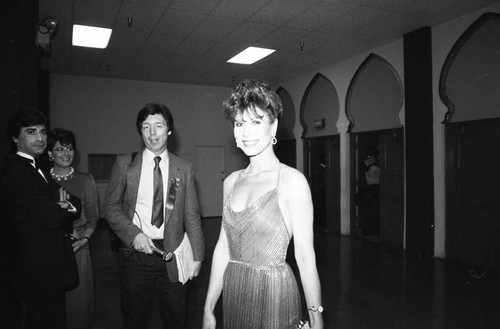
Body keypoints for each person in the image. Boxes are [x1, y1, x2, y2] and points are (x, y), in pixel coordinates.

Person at [202, 79, 324, 329]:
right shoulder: (232, 182)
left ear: (273, 126)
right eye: (239, 123)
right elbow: (223, 248)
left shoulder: (292, 181)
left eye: (256, 122)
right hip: (235, 289)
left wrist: (316, 318)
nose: (246, 133)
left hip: (274, 294)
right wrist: (208, 308)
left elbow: (305, 256)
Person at [103, 103, 205, 329]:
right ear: (140, 132)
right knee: (134, 318)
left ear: (169, 130)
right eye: (146, 127)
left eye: (158, 126)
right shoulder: (125, 164)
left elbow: (191, 214)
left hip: (173, 255)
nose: (152, 133)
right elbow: (110, 205)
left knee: (176, 318)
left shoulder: (182, 167)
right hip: (136, 255)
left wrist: (197, 255)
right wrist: (133, 234)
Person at [0, 108, 82, 329]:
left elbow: (75, 203)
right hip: (35, 269)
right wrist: (62, 208)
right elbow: (54, 218)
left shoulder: (39, 169)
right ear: (15, 138)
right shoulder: (18, 172)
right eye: (31, 132)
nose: (40, 138)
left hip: (48, 267)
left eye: (43, 132)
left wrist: (65, 206)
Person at [48, 128, 100, 329]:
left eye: (69, 148)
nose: (66, 153)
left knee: (77, 308)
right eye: (59, 149)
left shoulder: (86, 180)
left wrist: (82, 241)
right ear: (50, 153)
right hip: (49, 249)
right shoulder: (42, 180)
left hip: (78, 248)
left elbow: (94, 219)